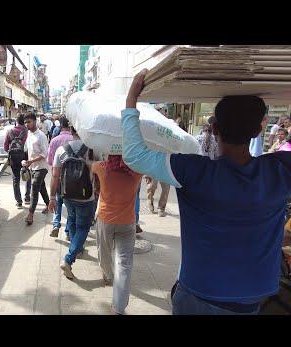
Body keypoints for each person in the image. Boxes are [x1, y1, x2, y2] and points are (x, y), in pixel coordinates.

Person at [121, 68, 291, 315]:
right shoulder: (279, 170)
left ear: (215, 130)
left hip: (198, 296)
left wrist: (131, 102)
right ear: (258, 132)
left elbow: (135, 156)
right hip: (251, 301)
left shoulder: (194, 171)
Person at [91, 154, 142, 315]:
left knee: (104, 253)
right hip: (127, 223)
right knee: (124, 265)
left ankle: (107, 275)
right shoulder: (137, 172)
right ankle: (119, 308)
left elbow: (91, 165)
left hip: (105, 221)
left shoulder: (103, 168)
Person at [48, 126, 95, 280]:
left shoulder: (61, 150)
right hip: (87, 197)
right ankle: (69, 258)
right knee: (83, 227)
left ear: (72, 132)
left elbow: (55, 176)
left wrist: (52, 197)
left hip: (67, 195)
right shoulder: (92, 150)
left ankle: (77, 249)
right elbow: (100, 175)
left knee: (73, 222)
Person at [47, 117, 73, 239]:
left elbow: (50, 161)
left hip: (57, 177)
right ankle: (68, 231)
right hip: (73, 179)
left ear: (60, 126)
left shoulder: (54, 141)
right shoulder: (76, 140)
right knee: (70, 207)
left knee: (57, 201)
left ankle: (56, 225)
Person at [23, 113, 50, 225]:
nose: (26, 124)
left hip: (42, 167)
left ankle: (31, 214)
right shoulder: (28, 134)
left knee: (34, 189)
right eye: (25, 122)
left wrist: (31, 161)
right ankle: (49, 205)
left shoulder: (41, 136)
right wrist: (27, 162)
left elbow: (44, 154)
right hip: (32, 167)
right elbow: (29, 152)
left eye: (28, 122)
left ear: (35, 121)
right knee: (41, 187)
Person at [4, 114, 31, 208]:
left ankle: (19, 201)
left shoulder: (9, 131)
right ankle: (27, 197)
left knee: (16, 179)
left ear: (16, 120)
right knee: (27, 176)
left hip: (14, 158)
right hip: (25, 156)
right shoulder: (27, 131)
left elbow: (5, 147)